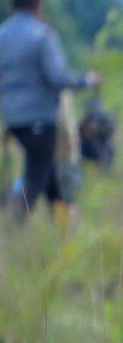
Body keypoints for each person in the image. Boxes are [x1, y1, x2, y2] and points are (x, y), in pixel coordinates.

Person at [0, 0, 98, 223]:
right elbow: (57, 77)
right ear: (38, 6)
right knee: (37, 174)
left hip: (11, 119)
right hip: (39, 118)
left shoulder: (2, 35)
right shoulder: (42, 35)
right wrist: (86, 80)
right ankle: (12, 225)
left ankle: (65, 227)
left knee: (48, 171)